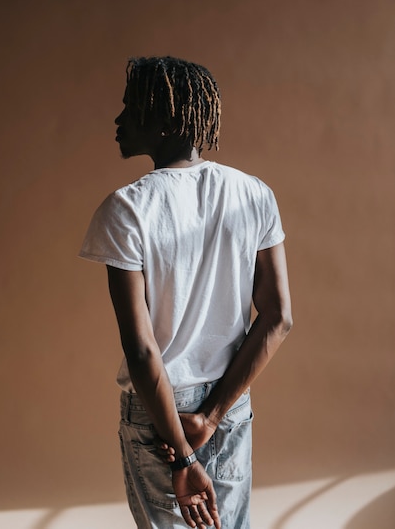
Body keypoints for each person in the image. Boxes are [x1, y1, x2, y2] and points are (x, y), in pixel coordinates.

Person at [79, 56, 293, 529]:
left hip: (161, 411)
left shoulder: (127, 208)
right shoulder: (254, 193)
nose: (118, 121)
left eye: (132, 109)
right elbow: (279, 317)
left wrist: (180, 457)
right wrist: (212, 417)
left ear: (168, 121)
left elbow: (141, 349)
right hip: (230, 399)